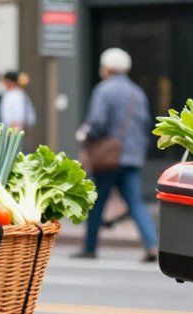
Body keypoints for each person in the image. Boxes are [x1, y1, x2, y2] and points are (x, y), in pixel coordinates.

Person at [74, 48, 158, 262]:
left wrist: (85, 134)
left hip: (108, 156)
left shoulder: (104, 90)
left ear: (108, 68)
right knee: (135, 202)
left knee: (97, 201)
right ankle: (152, 244)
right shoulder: (137, 92)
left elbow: (97, 122)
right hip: (133, 155)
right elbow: (146, 124)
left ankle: (90, 246)